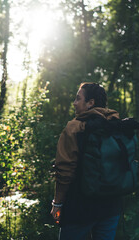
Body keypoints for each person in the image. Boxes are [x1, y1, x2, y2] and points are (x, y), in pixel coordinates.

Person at [51, 82, 123, 240]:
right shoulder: (117, 125)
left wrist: (58, 203)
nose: (74, 103)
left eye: (78, 99)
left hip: (80, 208)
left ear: (90, 103)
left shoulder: (74, 128)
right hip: (111, 206)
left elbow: (64, 171)